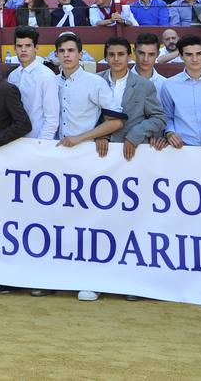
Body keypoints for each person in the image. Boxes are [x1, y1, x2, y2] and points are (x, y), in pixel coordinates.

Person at [52, 31, 124, 302]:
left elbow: (116, 121)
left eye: (72, 50)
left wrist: (82, 138)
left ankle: (92, 279)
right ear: (57, 55)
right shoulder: (52, 82)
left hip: (88, 159)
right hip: (58, 159)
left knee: (90, 221)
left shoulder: (94, 82)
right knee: (61, 221)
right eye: (63, 51)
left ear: (80, 54)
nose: (67, 55)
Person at [96, 37, 165, 161]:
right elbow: (89, 114)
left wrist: (135, 135)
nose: (116, 59)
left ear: (129, 56)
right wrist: (101, 134)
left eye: (121, 54)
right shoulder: (95, 81)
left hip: (135, 150)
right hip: (98, 150)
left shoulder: (145, 85)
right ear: (105, 58)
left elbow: (158, 118)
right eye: (111, 54)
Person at [155, 35, 201, 149]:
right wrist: (170, 133)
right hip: (182, 149)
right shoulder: (169, 85)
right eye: (189, 54)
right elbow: (168, 116)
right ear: (181, 56)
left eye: (199, 54)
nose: (195, 59)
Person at [8, 26, 60, 141]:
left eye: (28, 45)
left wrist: (40, 144)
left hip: (38, 141)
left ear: (36, 48)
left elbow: (52, 118)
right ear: (14, 49)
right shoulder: (13, 76)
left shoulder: (46, 76)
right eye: (19, 46)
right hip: (15, 140)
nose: (23, 49)